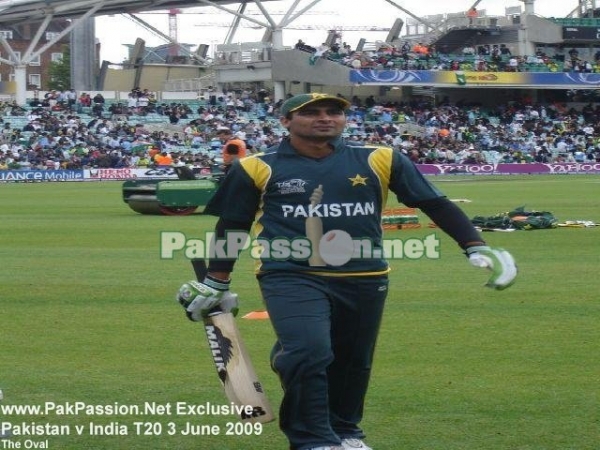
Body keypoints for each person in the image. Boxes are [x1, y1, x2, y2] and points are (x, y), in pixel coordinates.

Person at [176, 93, 518, 450]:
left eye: (334, 112)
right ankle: (312, 439)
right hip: (290, 272)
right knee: (309, 351)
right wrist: (216, 280)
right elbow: (232, 224)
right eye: (311, 113)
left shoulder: (380, 158)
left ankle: (345, 432)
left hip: (366, 276)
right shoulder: (255, 167)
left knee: (352, 363)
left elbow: (433, 202)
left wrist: (474, 244)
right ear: (285, 121)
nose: (325, 118)